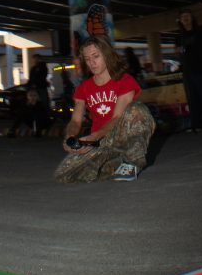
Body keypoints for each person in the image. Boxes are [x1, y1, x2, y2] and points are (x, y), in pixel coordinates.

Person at [55, 35, 154, 183]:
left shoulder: (125, 80)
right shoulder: (83, 88)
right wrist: (70, 137)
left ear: (107, 55)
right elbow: (76, 120)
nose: (92, 63)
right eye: (87, 59)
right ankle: (114, 165)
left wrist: (94, 136)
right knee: (64, 174)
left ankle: (132, 161)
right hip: (101, 141)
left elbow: (117, 117)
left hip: (121, 134)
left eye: (96, 56)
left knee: (137, 109)